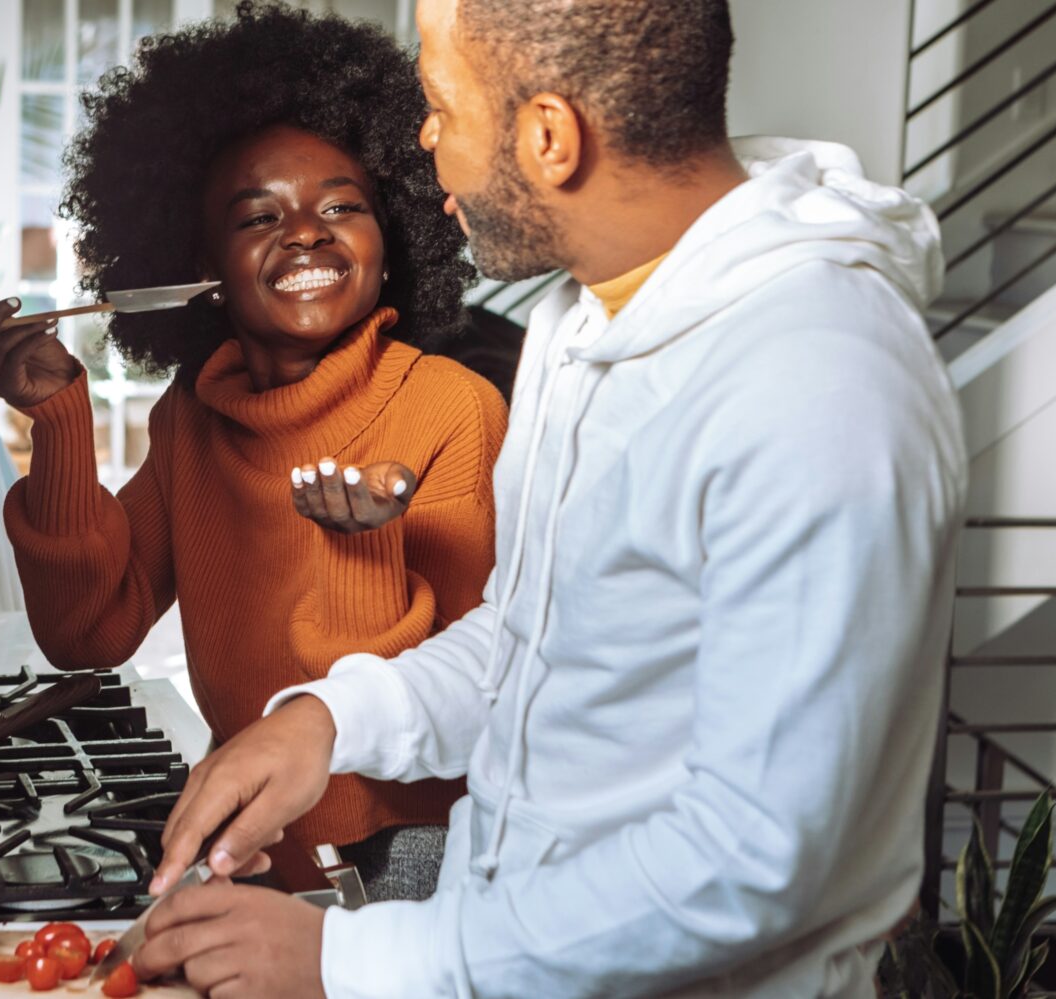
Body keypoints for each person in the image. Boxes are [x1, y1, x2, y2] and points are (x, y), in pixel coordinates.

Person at [134, 0, 968, 996]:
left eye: (442, 107)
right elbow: (544, 637)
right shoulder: (584, 322)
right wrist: (330, 719)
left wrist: (355, 960)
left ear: (548, 137)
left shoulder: (819, 383)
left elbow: (756, 856)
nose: (425, 143)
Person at [0, 2, 505, 898]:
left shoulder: (451, 409)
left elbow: (472, 698)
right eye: (257, 216)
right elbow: (90, 631)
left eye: (342, 206)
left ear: (393, 240)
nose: (307, 231)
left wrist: (360, 544)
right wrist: (58, 421)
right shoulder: (193, 419)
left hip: (410, 861)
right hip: (254, 842)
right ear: (199, 265)